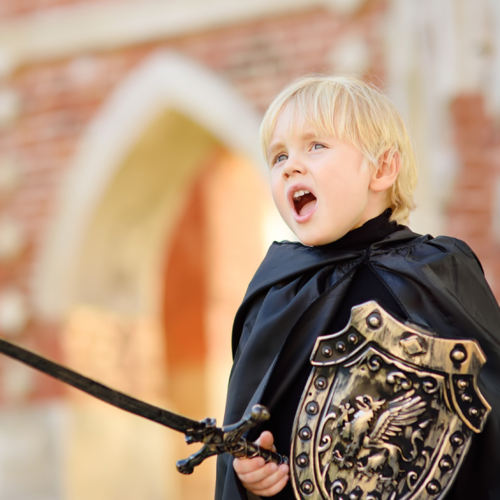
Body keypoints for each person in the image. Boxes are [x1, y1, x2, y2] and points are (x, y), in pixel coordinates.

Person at [215, 75, 500, 500]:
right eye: (278, 156)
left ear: (382, 169)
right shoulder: (276, 291)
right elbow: (249, 431)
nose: (291, 165)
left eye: (316, 146)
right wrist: (250, 476)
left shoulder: (442, 271)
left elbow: (487, 415)